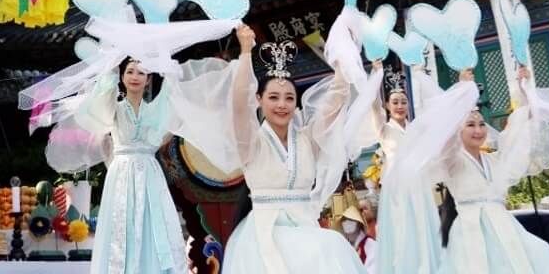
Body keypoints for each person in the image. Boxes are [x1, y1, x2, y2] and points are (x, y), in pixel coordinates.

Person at [217, 24, 367, 273]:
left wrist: (343, 58)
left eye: (289, 98)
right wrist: (245, 52)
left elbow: (335, 101)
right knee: (329, 246)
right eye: (273, 97)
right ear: (259, 100)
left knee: (333, 246)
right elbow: (238, 105)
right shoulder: (251, 143)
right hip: (265, 236)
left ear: (297, 104)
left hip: (305, 228)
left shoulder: (307, 140)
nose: (282, 104)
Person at [391, 67, 549, 274]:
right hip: (470, 232)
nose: (478, 130)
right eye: (470, 125)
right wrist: (463, 97)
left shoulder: (496, 160)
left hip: (505, 228)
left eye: (481, 124)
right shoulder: (453, 161)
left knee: (535, 254)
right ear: (458, 128)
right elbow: (446, 137)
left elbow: (518, 137)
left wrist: (524, 92)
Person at [73, 57, 189, 274]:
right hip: (122, 173)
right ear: (122, 77)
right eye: (130, 72)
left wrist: (170, 71)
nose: (135, 77)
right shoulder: (113, 108)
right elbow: (100, 112)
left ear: (148, 79)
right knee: (121, 225)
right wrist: (109, 72)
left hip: (149, 173)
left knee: (152, 224)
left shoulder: (155, 110)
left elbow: (172, 110)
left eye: (141, 73)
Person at [370, 64, 442, 274]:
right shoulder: (384, 129)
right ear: (387, 105)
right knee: (401, 227)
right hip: (396, 187)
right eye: (395, 102)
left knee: (422, 223)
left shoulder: (415, 128)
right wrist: (376, 75)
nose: (400, 106)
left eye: (403, 101)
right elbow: (373, 106)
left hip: (417, 183)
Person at [338, 205, 377, 272]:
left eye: (350, 220)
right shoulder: (345, 246)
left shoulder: (371, 244)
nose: (347, 223)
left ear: (358, 223)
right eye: (344, 220)